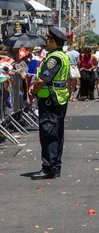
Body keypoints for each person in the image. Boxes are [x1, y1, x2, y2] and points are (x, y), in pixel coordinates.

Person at [28, 27, 70, 180]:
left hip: (49, 98)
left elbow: (42, 79)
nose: (45, 42)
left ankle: (48, 168)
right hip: (58, 98)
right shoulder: (62, 56)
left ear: (53, 41)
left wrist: (33, 92)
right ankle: (55, 166)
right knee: (57, 133)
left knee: (48, 133)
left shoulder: (54, 58)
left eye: (47, 39)